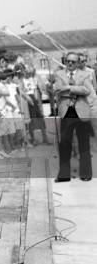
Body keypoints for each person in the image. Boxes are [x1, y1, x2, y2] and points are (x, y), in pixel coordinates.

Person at [53, 52, 93, 182]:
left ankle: (86, 173)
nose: (70, 63)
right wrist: (77, 89)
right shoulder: (58, 74)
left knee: (84, 144)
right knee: (64, 144)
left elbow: (87, 91)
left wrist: (69, 87)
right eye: (68, 61)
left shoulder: (86, 74)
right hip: (66, 112)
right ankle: (64, 175)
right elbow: (58, 89)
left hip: (82, 113)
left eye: (73, 62)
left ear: (78, 63)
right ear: (65, 61)